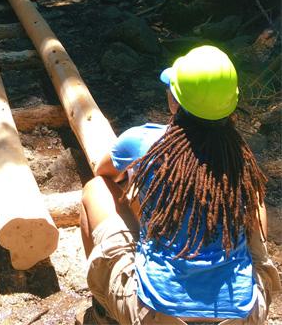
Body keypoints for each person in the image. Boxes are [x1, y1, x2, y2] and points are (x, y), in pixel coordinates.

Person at [78, 46, 281, 324]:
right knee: (252, 196)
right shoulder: (239, 156)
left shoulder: (142, 141)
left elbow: (104, 172)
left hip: (156, 313)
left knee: (96, 189)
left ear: (174, 101)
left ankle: (104, 313)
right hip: (244, 314)